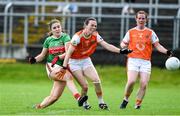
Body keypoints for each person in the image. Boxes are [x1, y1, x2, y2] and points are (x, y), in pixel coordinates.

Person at [59, 17, 132, 110]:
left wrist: (121, 51)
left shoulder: (95, 35)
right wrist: (64, 67)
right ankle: (84, 102)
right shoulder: (77, 37)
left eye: (95, 26)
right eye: (91, 25)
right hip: (74, 62)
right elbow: (68, 53)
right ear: (85, 25)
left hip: (85, 60)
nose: (93, 27)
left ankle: (101, 102)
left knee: (96, 81)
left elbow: (107, 45)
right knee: (85, 86)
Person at [28, 19, 87, 109]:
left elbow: (68, 52)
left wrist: (59, 57)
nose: (57, 29)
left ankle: (38, 107)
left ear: (61, 27)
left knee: (54, 97)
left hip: (62, 67)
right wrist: (34, 59)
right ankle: (78, 98)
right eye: (54, 28)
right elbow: (42, 55)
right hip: (52, 67)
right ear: (51, 30)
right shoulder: (48, 40)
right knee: (68, 77)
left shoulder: (65, 37)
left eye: (58, 27)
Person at [119, 10, 173, 109]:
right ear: (136, 19)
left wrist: (166, 52)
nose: (141, 20)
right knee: (131, 81)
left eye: (143, 18)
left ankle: (138, 104)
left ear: (146, 19)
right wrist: (124, 48)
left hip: (145, 61)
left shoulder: (150, 32)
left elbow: (157, 45)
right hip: (133, 60)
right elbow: (123, 43)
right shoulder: (131, 32)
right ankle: (125, 99)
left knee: (144, 83)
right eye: (139, 18)